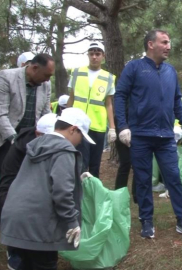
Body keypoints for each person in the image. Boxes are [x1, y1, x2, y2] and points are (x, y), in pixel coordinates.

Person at [114, 29, 182, 239]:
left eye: (169, 42)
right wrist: (122, 127)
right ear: (151, 44)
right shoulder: (134, 67)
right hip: (140, 135)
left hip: (165, 136)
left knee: (173, 177)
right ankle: (146, 221)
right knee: (142, 180)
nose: (169, 46)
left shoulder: (170, 71)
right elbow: (120, 96)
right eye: (165, 42)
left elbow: (177, 100)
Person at [1, 108, 94, 270]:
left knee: (23, 264)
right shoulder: (64, 150)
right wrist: (72, 222)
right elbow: (62, 192)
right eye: (81, 136)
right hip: (39, 225)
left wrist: (77, 179)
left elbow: (38, 180)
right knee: (44, 264)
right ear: (73, 129)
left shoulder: (35, 144)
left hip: (15, 220)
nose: (80, 142)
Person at [0, 113, 57, 270]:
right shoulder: (22, 150)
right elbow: (7, 186)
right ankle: (16, 254)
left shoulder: (46, 144)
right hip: (13, 201)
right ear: (39, 134)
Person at [67, 42, 116, 177]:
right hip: (78, 125)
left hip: (97, 127)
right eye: (92, 54)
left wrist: (112, 128)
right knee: (81, 162)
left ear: (103, 56)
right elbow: (71, 98)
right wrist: (64, 119)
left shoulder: (108, 77)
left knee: (95, 164)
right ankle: (78, 194)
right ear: (88, 55)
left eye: (98, 54)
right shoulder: (77, 73)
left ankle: (93, 193)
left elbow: (109, 104)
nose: (94, 57)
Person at [0, 53, 54, 170]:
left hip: (31, 139)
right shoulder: (6, 77)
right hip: (6, 139)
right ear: (35, 68)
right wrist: (15, 140)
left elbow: (45, 114)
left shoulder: (46, 84)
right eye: (46, 75)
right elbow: (1, 114)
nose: (48, 80)